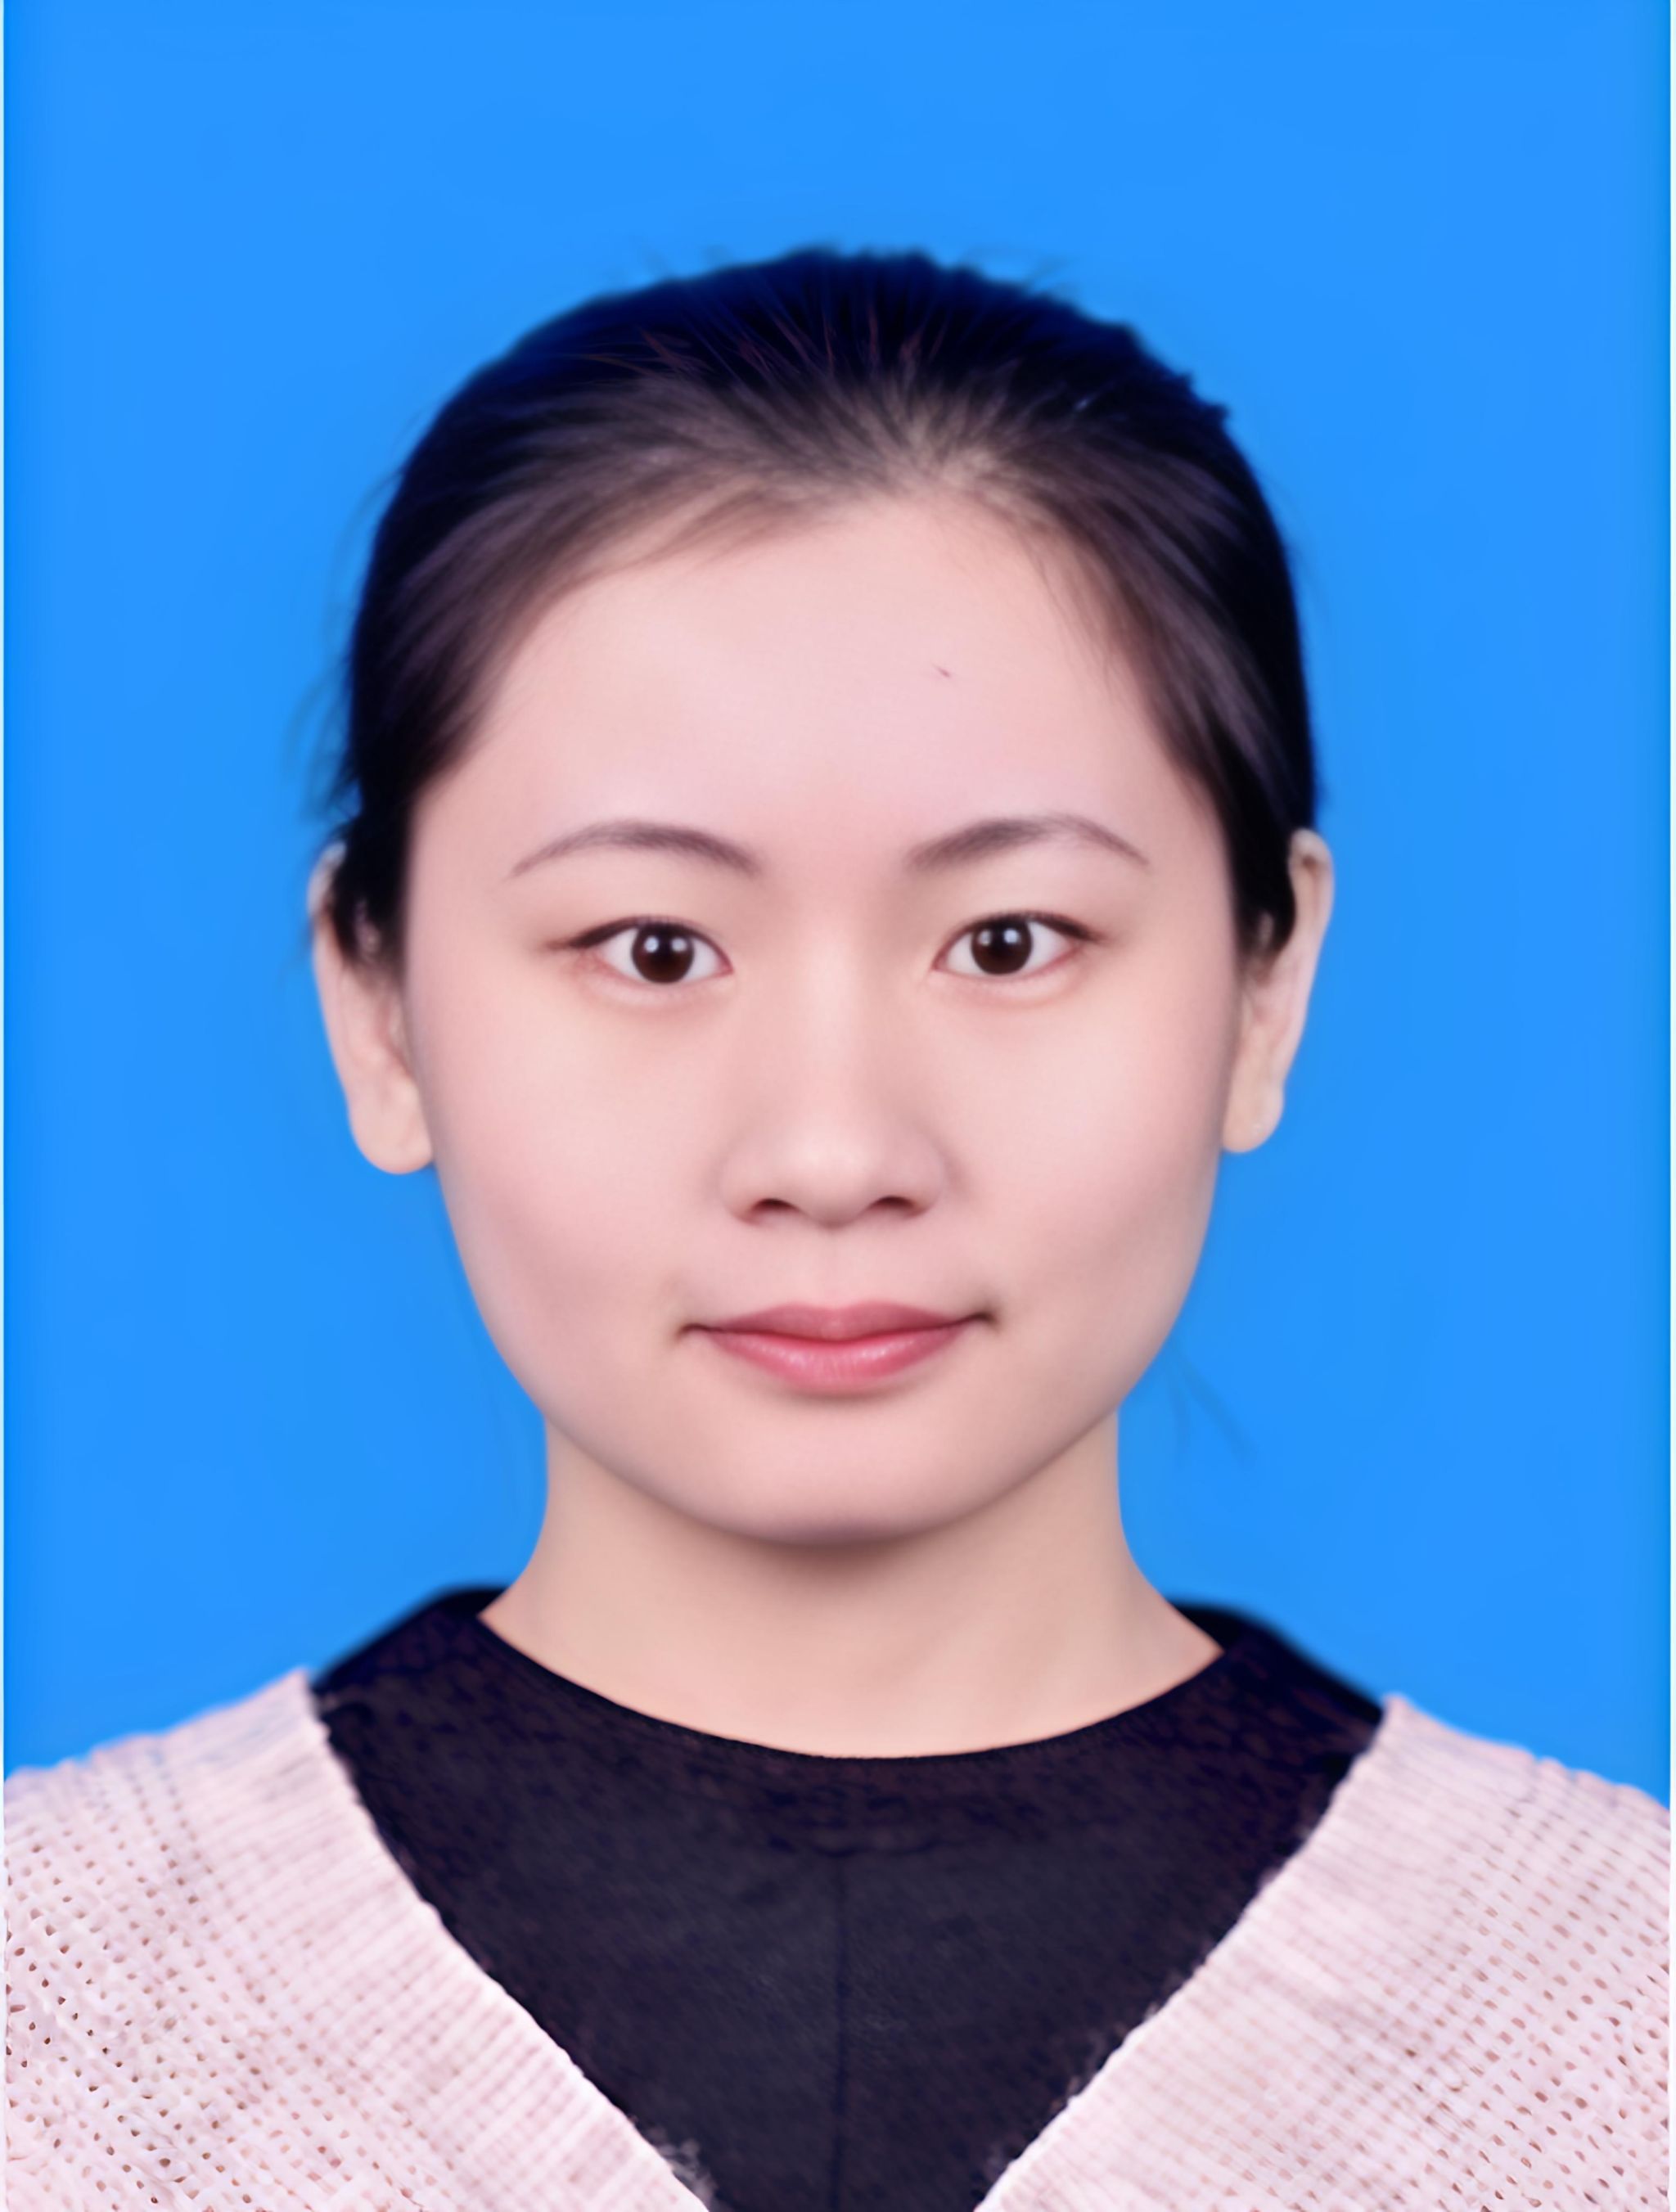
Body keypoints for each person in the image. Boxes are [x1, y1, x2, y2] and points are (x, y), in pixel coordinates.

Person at [6, 248, 1666, 2212]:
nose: (830, 1148)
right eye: (652, 947)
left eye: (1008, 941)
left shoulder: (1619, 2031)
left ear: (1265, 982)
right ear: (377, 1004)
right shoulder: (50, 2021)